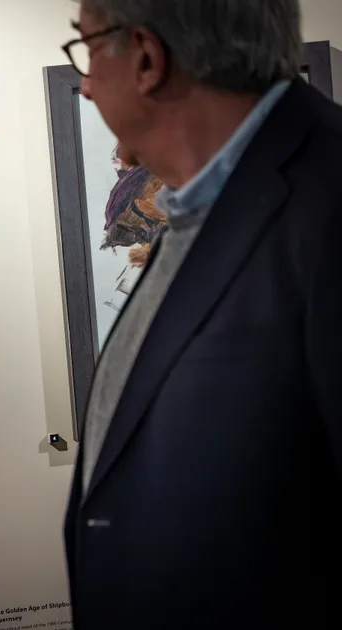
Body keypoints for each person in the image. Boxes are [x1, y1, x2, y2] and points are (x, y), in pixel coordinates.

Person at [62, 1, 342, 628]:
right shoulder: (204, 205)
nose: (81, 84)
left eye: (84, 50)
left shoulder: (327, 202)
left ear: (145, 58)